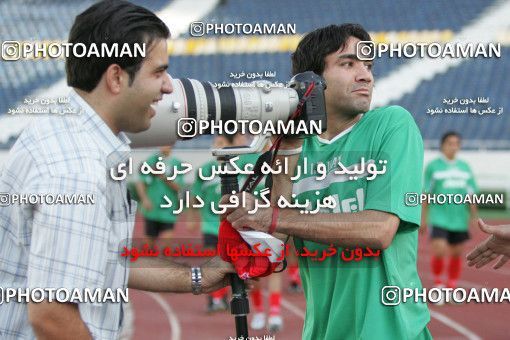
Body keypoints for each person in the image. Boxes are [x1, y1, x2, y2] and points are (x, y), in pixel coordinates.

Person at [0, 1, 233, 339]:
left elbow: (104, 258)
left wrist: (194, 277)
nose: (169, 86)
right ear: (116, 77)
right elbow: (52, 316)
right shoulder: (75, 171)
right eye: (158, 72)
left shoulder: (66, 131)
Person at [220, 24, 432, 339]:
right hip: (322, 331)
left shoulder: (391, 124)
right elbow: (275, 246)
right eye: (349, 64)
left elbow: (379, 229)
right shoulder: (294, 150)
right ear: (311, 83)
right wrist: (286, 151)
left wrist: (273, 215)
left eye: (369, 66)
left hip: (389, 331)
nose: (366, 76)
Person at [420, 131, 478, 291]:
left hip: (459, 219)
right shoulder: (433, 167)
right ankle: (438, 285)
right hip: (439, 217)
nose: (454, 147)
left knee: (456, 253)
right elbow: (426, 194)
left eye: (457, 144)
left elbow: (471, 194)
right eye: (450, 143)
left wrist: (474, 216)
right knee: (439, 250)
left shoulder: (465, 167)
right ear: (442, 145)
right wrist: (423, 219)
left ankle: (451, 287)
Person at [136, 144, 184, 249]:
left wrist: (163, 176)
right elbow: (141, 182)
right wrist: (144, 199)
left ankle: (164, 264)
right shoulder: (151, 161)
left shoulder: (177, 164)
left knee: (167, 245)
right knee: (149, 246)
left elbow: (178, 187)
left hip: (168, 210)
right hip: (152, 209)